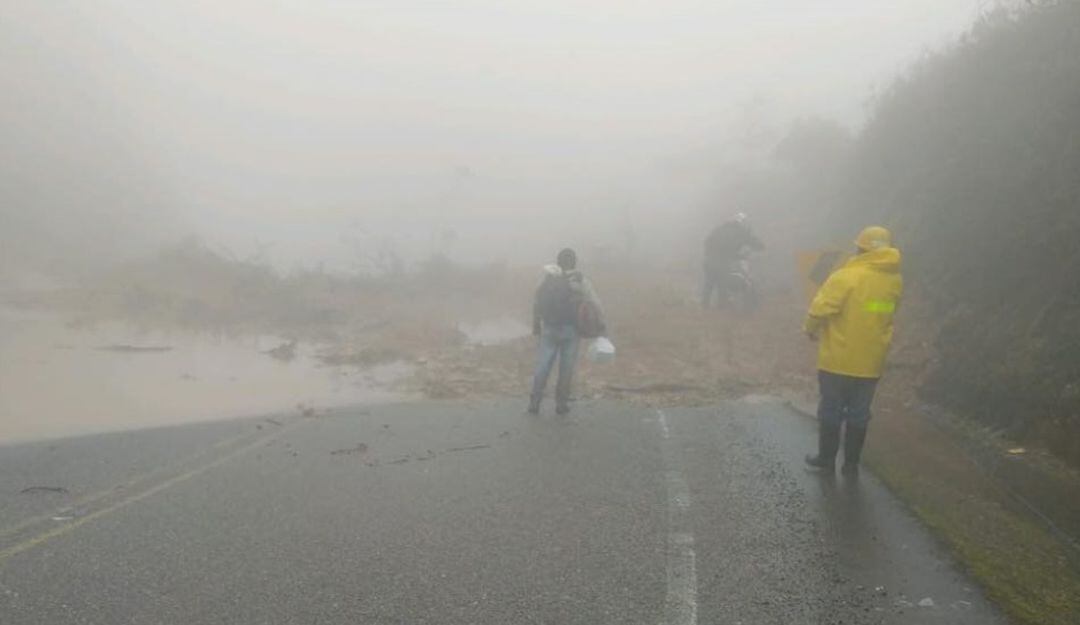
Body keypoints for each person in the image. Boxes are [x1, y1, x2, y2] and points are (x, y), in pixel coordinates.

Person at [803, 226, 903, 475]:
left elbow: (821, 309)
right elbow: (883, 311)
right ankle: (851, 465)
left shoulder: (846, 276)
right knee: (859, 413)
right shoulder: (894, 280)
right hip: (871, 361)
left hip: (838, 359)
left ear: (860, 248)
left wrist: (810, 329)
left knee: (831, 409)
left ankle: (826, 459)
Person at [529, 248, 605, 415]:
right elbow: (594, 301)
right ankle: (561, 404)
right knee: (566, 367)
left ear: (558, 261)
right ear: (574, 262)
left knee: (543, 365)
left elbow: (537, 298)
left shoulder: (548, 277)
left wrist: (536, 324)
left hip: (549, 328)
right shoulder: (579, 279)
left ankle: (534, 402)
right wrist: (601, 324)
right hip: (571, 330)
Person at [702, 212, 764, 309]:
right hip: (721, 261)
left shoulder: (720, 229)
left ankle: (704, 308)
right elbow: (752, 241)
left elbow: (707, 242)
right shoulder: (740, 232)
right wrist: (760, 247)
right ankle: (722, 308)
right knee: (722, 284)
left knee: (709, 284)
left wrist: (710, 254)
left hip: (709, 260)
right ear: (742, 224)